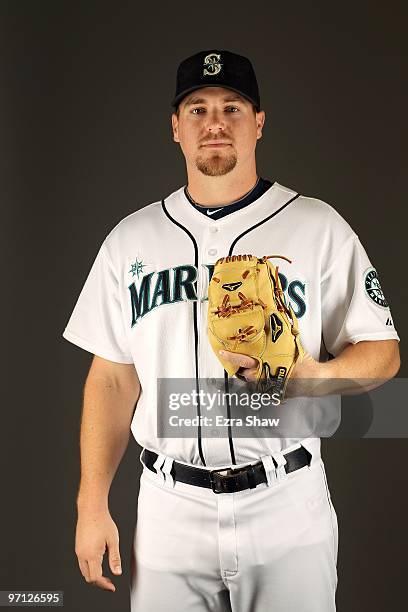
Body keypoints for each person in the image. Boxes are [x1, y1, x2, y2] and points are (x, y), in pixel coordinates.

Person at [62, 49, 400, 611]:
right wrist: (90, 505)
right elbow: (113, 380)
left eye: (232, 107)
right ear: (175, 127)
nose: (214, 122)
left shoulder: (317, 226)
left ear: (259, 123)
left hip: (286, 501)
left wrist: (318, 377)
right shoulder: (131, 240)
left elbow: (384, 354)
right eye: (197, 109)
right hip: (170, 510)